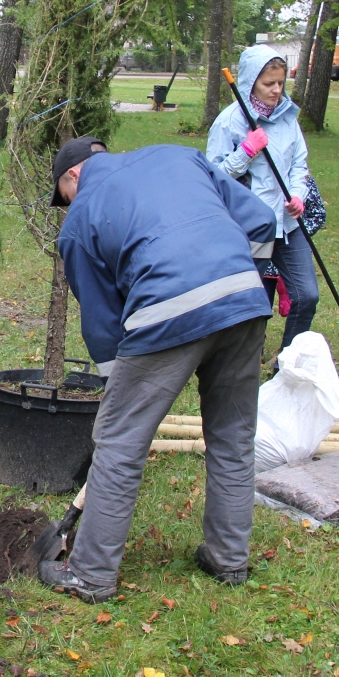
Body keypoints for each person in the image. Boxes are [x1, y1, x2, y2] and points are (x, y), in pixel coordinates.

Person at [39, 137, 279, 603]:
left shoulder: (79, 221)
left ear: (72, 177)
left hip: (167, 308)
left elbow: (103, 323)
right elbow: (262, 220)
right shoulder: (179, 155)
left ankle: (89, 574)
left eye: (62, 197)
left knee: (120, 444)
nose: (66, 206)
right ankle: (228, 558)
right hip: (244, 300)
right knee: (232, 434)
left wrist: (116, 391)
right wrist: (237, 282)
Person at [206, 44, 319, 357]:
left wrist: (299, 195)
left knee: (306, 295)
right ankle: (235, 363)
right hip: (250, 226)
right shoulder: (229, 122)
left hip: (287, 223)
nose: (276, 90)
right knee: (249, 302)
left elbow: (299, 164)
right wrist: (245, 151)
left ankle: (287, 363)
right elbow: (212, 176)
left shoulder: (287, 119)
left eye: (281, 83)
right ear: (250, 82)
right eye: (269, 84)